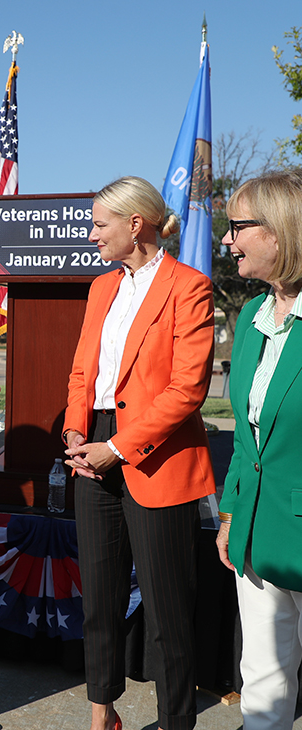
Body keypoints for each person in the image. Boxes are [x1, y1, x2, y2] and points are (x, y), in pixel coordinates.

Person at [63, 176, 216, 730]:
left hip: (157, 457)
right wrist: (77, 432)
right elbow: (84, 369)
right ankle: (103, 713)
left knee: (168, 613)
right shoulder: (101, 287)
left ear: (135, 225)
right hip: (93, 450)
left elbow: (187, 389)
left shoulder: (189, 286)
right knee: (100, 601)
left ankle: (176, 721)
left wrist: (119, 448)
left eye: (100, 224)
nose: (92, 234)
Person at [215, 169, 302, 730]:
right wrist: (230, 511)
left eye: (238, 227)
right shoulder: (250, 314)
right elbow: (248, 439)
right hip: (254, 530)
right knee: (263, 681)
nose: (228, 240)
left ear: (281, 232)